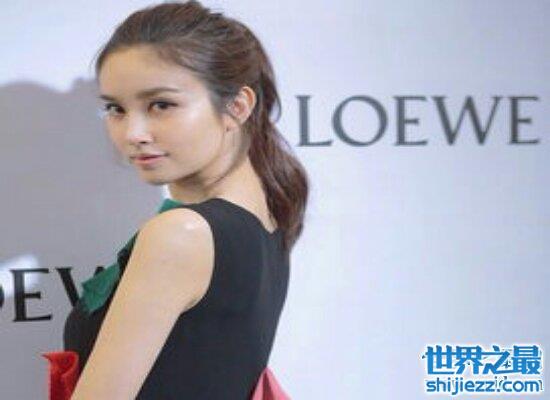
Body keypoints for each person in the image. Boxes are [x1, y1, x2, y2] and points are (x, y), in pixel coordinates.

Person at [43, 1, 308, 399]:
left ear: (237, 106)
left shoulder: (182, 234)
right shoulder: (269, 211)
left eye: (161, 105)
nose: (133, 133)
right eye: (116, 108)